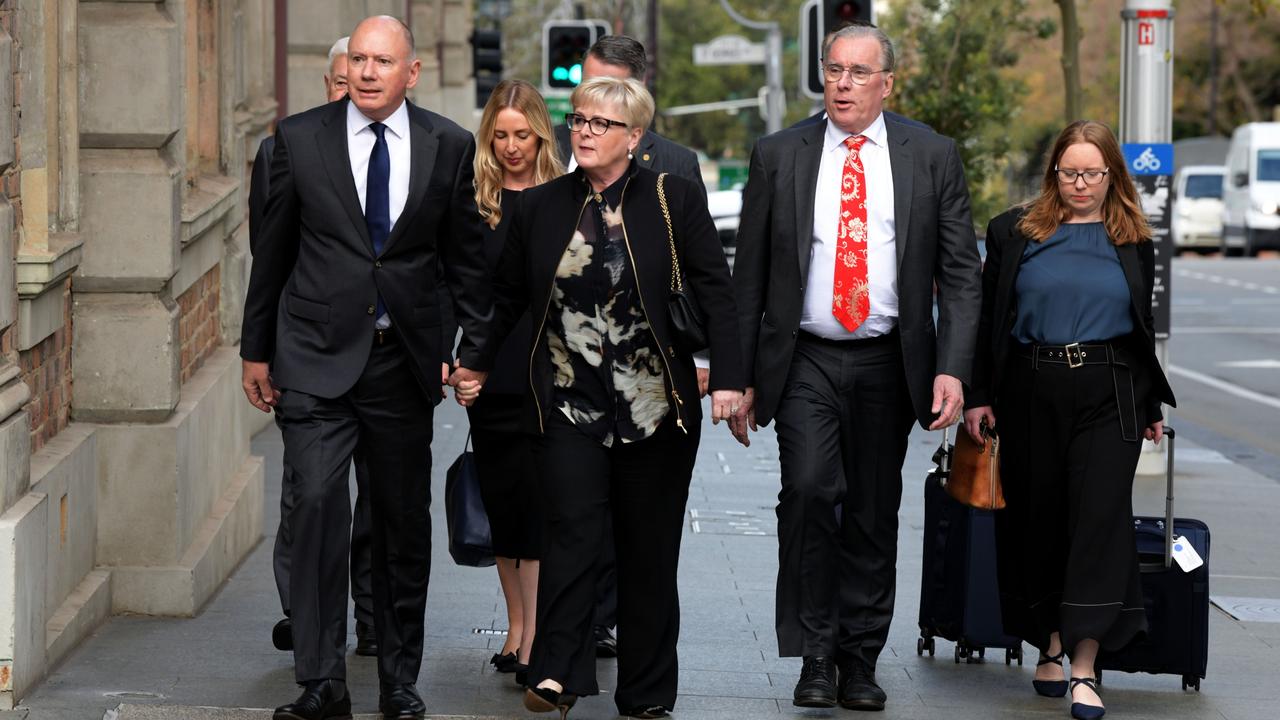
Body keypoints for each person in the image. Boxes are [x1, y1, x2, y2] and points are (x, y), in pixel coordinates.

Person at [240, 15, 492, 720]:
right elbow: (274, 255)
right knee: (317, 505)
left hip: (401, 366)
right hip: (315, 360)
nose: (368, 72)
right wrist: (254, 349)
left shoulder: (448, 145)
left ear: (410, 72)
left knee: (399, 526)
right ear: (345, 67)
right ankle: (320, 680)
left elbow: (464, 259)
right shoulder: (300, 139)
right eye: (359, 59)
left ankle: (399, 680)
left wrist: (472, 351)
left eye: (384, 61)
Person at [729, 23, 982, 712]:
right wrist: (738, 375)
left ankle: (860, 655)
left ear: (886, 83)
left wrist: (954, 367)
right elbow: (747, 275)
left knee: (873, 509)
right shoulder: (779, 155)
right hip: (804, 356)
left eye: (858, 73)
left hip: (889, 359)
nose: (842, 83)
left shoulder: (930, 155)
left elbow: (961, 273)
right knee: (811, 491)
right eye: (833, 70)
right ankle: (815, 651)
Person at [477, 76, 744, 720]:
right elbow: (505, 297)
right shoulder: (542, 206)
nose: (586, 132)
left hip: (656, 409)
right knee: (571, 533)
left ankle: (647, 692)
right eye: (580, 120)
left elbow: (716, 291)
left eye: (602, 124)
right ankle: (556, 674)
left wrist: (731, 379)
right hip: (569, 402)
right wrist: (472, 361)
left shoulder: (671, 197)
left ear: (635, 137)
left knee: (648, 550)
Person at [963, 120, 1176, 720]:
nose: (1080, 183)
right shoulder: (1014, 231)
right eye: (1069, 172)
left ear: (1113, 174)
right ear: (1053, 171)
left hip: (1113, 390)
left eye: (1092, 173)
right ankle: (1049, 641)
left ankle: (1085, 665)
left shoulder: (1133, 238)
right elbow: (989, 322)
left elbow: (1140, 330)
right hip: (1032, 385)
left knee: (1099, 520)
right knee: (1041, 518)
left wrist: (1151, 405)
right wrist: (979, 395)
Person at [551, 34, 709, 658]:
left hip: (646, 379)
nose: (588, 115)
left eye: (607, 103)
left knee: (638, 519)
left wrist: (704, 366)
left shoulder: (676, 169)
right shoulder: (553, 156)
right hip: (568, 378)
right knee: (571, 509)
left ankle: (610, 626)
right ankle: (564, 641)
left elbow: (701, 282)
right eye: (582, 99)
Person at [248, 34, 379, 661]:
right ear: (329, 83)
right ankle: (303, 615)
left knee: (379, 500)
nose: (350, 89)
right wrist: (264, 351)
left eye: (363, 73)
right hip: (305, 351)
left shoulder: (408, 152)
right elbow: (266, 255)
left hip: (380, 354)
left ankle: (373, 616)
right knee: (308, 492)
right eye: (340, 79)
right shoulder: (285, 149)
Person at [468, 79, 563, 681]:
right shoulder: (475, 201)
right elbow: (459, 284)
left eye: (521, 134)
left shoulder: (564, 197)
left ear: (540, 134)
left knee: (540, 506)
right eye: (499, 135)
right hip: (493, 371)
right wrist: (459, 357)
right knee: (503, 507)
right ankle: (516, 626)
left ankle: (537, 638)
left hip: (551, 371)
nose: (510, 146)